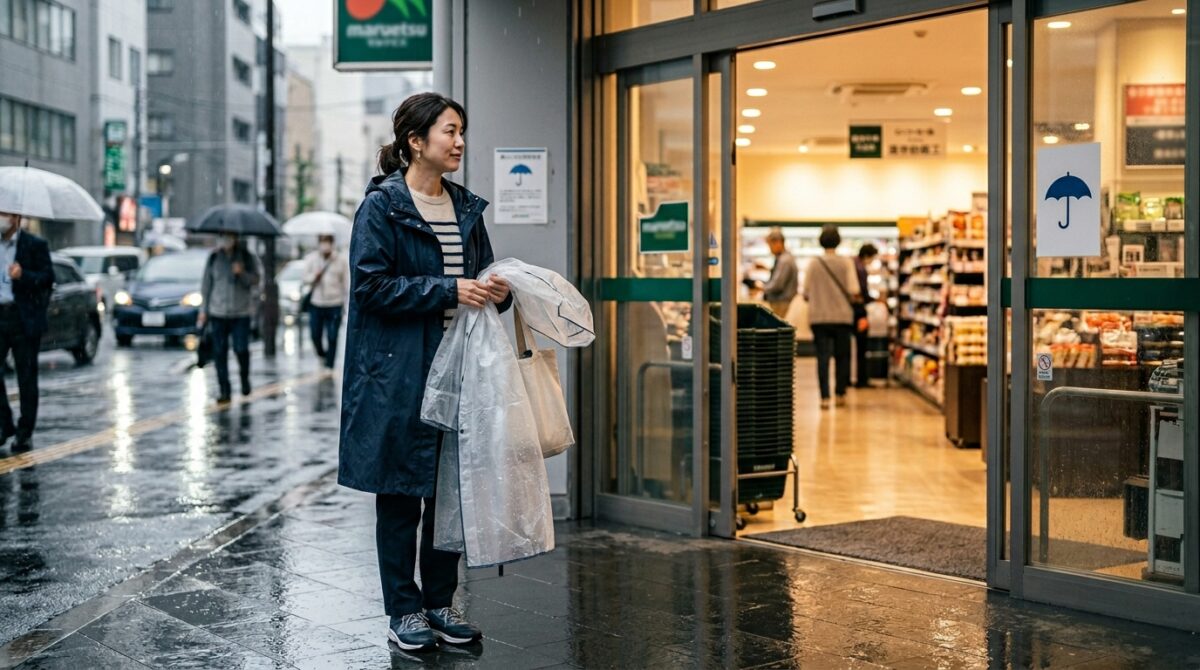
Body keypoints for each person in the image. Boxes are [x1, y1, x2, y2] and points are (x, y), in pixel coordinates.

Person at [338, 93, 511, 653]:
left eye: (462, 132)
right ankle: (403, 609)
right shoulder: (383, 207)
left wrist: (498, 291)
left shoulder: (465, 207)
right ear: (417, 141)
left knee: (450, 491)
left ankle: (440, 601)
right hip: (397, 372)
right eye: (450, 131)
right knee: (400, 493)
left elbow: (479, 277)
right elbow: (369, 288)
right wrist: (447, 288)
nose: (459, 142)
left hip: (459, 367)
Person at [0, 212, 52, 452]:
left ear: (16, 218)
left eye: (5, 214)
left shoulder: (34, 245)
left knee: (27, 376)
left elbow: (47, 279)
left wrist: (24, 276)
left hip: (23, 318)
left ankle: (24, 432)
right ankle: (3, 424)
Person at [198, 233, 261, 403]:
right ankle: (224, 389)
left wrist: (241, 273)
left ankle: (244, 379)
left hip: (241, 312)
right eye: (222, 236)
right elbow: (206, 285)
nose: (225, 240)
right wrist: (204, 311)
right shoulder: (214, 258)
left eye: (229, 237)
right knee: (219, 352)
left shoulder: (247, 257)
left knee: (241, 349)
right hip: (218, 312)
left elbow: (256, 280)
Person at [803, 224, 860, 409]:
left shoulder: (813, 263)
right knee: (842, 356)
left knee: (822, 357)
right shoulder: (846, 263)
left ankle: (824, 397)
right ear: (838, 241)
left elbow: (805, 292)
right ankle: (840, 393)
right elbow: (854, 290)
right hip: (842, 317)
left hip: (819, 317)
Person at [302, 234, 349, 369]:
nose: (325, 245)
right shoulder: (312, 259)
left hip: (335, 303)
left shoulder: (340, 260)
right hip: (316, 303)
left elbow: (345, 283)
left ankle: (330, 365)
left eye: (327, 242)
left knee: (333, 336)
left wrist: (345, 304)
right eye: (323, 242)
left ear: (332, 243)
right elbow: (305, 278)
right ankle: (322, 354)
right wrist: (314, 276)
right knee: (315, 335)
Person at [853, 243, 878, 388]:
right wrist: (876, 300)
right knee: (862, 346)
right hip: (859, 312)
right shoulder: (861, 269)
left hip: (852, 311)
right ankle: (862, 379)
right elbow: (863, 292)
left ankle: (852, 378)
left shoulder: (853, 264)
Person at [759, 227, 798, 317]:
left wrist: (761, 287)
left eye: (770, 245)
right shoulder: (785, 258)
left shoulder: (785, 260)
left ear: (778, 243)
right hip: (782, 303)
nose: (770, 249)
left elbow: (778, 285)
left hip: (781, 303)